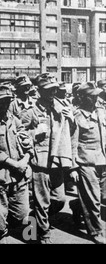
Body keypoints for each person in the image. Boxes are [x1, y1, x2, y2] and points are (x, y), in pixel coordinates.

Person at [21, 73, 77, 244]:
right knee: (42, 201)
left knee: (59, 200)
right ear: (39, 91)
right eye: (48, 90)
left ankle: (33, 219)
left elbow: (72, 134)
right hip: (40, 162)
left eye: (54, 89)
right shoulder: (31, 112)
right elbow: (18, 134)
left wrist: (72, 120)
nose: (52, 92)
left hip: (58, 160)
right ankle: (43, 234)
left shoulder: (62, 107)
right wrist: (33, 133)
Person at [0, 84, 33, 243]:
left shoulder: (14, 120)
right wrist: (16, 164)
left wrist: (26, 160)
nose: (5, 105)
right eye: (1, 101)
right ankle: (0, 236)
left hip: (19, 174)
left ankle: (31, 235)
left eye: (8, 101)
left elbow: (27, 143)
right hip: (0, 176)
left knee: (24, 213)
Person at [72, 82, 106, 244]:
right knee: (93, 200)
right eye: (91, 96)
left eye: (96, 96)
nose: (95, 99)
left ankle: (77, 205)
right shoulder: (76, 116)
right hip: (86, 162)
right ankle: (96, 231)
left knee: (103, 196)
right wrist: (72, 167)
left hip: (103, 160)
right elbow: (72, 143)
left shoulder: (101, 112)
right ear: (82, 97)